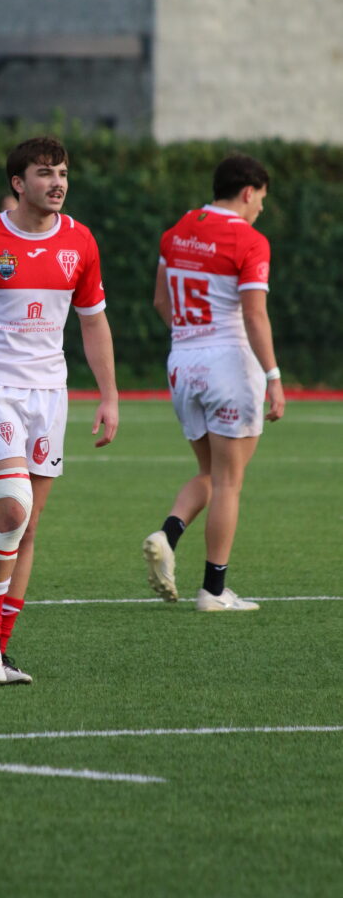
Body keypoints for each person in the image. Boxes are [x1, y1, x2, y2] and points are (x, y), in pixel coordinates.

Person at [0, 136, 119, 684]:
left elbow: (93, 323)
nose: (57, 183)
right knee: (12, 511)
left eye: (63, 173)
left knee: (28, 528)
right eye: (44, 173)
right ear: (18, 182)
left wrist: (109, 395)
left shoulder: (80, 241)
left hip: (50, 394)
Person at [143, 153, 286, 611]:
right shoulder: (250, 240)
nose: (260, 207)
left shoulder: (178, 230)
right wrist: (274, 376)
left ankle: (167, 535)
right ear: (248, 191)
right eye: (261, 198)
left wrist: (192, 339)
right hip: (229, 364)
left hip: (183, 362)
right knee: (228, 481)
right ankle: (214, 591)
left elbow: (160, 301)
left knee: (209, 473)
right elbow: (254, 314)